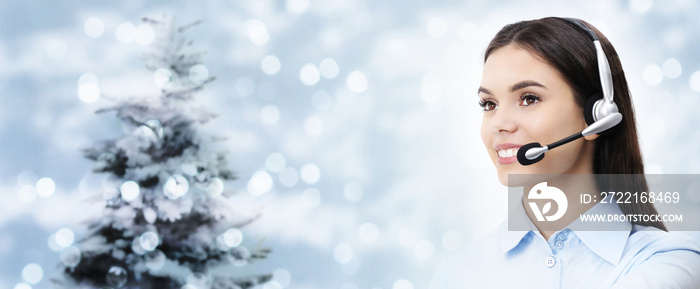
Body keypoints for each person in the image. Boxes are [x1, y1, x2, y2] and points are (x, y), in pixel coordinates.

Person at [429, 17, 700, 288]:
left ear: (597, 116)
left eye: (529, 99)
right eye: (489, 104)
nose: (499, 124)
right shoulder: (456, 273)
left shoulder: (668, 261)